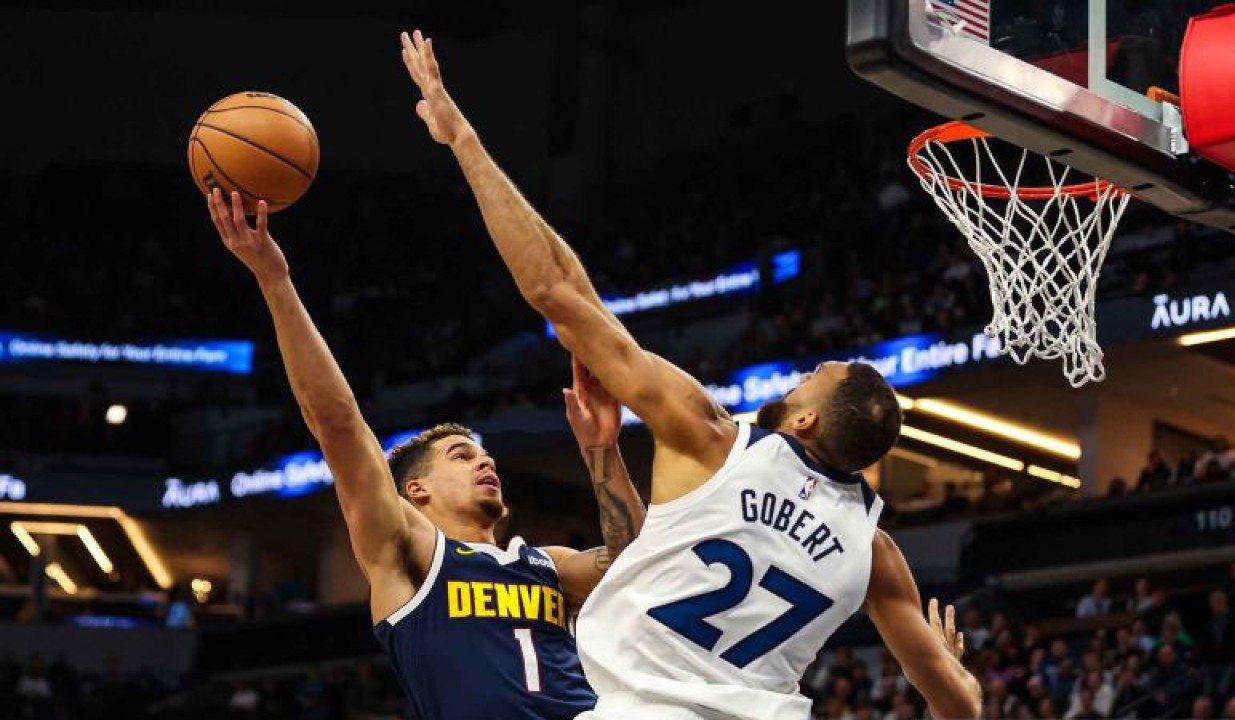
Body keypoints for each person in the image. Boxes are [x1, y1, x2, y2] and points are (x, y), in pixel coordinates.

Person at [400, 30, 982, 720]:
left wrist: (463, 139)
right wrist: (955, 670)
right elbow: (961, 708)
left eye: (811, 376)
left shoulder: (712, 436)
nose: (798, 374)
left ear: (805, 419)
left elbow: (558, 291)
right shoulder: (876, 555)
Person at [204, 190, 647, 720]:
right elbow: (338, 423)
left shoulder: (546, 563)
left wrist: (602, 451)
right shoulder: (408, 549)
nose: (485, 463)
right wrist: (275, 281)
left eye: (483, 456)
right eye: (461, 456)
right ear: (416, 490)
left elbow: (640, 561)